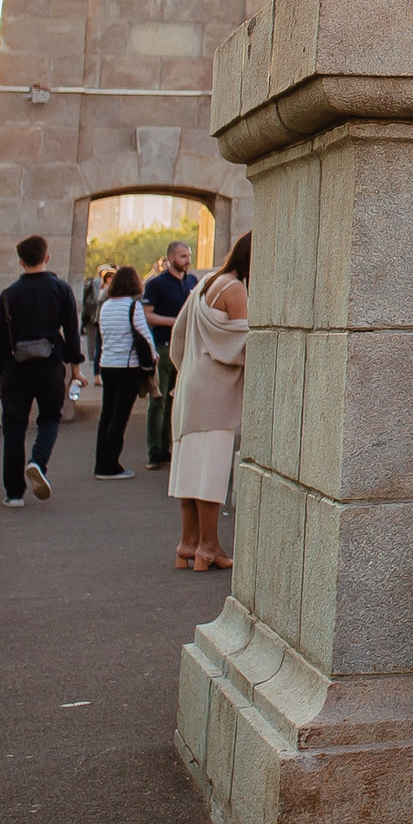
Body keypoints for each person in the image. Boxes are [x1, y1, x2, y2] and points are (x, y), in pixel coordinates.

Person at [167, 231, 248, 571]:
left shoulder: (206, 282)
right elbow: (246, 341)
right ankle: (209, 548)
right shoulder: (236, 289)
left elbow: (179, 335)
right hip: (215, 389)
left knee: (189, 468)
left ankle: (187, 544)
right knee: (212, 470)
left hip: (191, 382)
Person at [0, 234, 82, 506]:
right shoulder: (61, 290)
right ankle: (38, 461)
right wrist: (75, 368)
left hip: (15, 368)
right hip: (50, 365)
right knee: (51, 417)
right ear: (47, 257)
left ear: (20, 261)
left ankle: (14, 493)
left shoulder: (8, 295)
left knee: (14, 427)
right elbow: (72, 332)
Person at [92, 266, 157, 480]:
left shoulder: (106, 306)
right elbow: (144, 336)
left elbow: (102, 334)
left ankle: (100, 462)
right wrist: (153, 357)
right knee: (120, 417)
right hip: (127, 367)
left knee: (107, 415)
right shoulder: (133, 306)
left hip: (107, 364)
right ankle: (111, 465)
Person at [141, 239, 197, 472]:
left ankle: (171, 448)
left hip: (187, 347)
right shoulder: (156, 284)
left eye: (189, 255)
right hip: (164, 346)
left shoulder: (192, 282)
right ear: (171, 258)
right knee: (160, 399)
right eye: (183, 256)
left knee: (178, 399)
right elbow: (148, 316)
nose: (187, 260)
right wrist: (175, 322)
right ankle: (155, 451)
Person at [80, 265, 109, 389]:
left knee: (97, 345)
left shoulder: (100, 286)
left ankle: (97, 372)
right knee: (98, 346)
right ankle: (97, 374)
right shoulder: (101, 287)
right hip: (98, 320)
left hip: (97, 320)